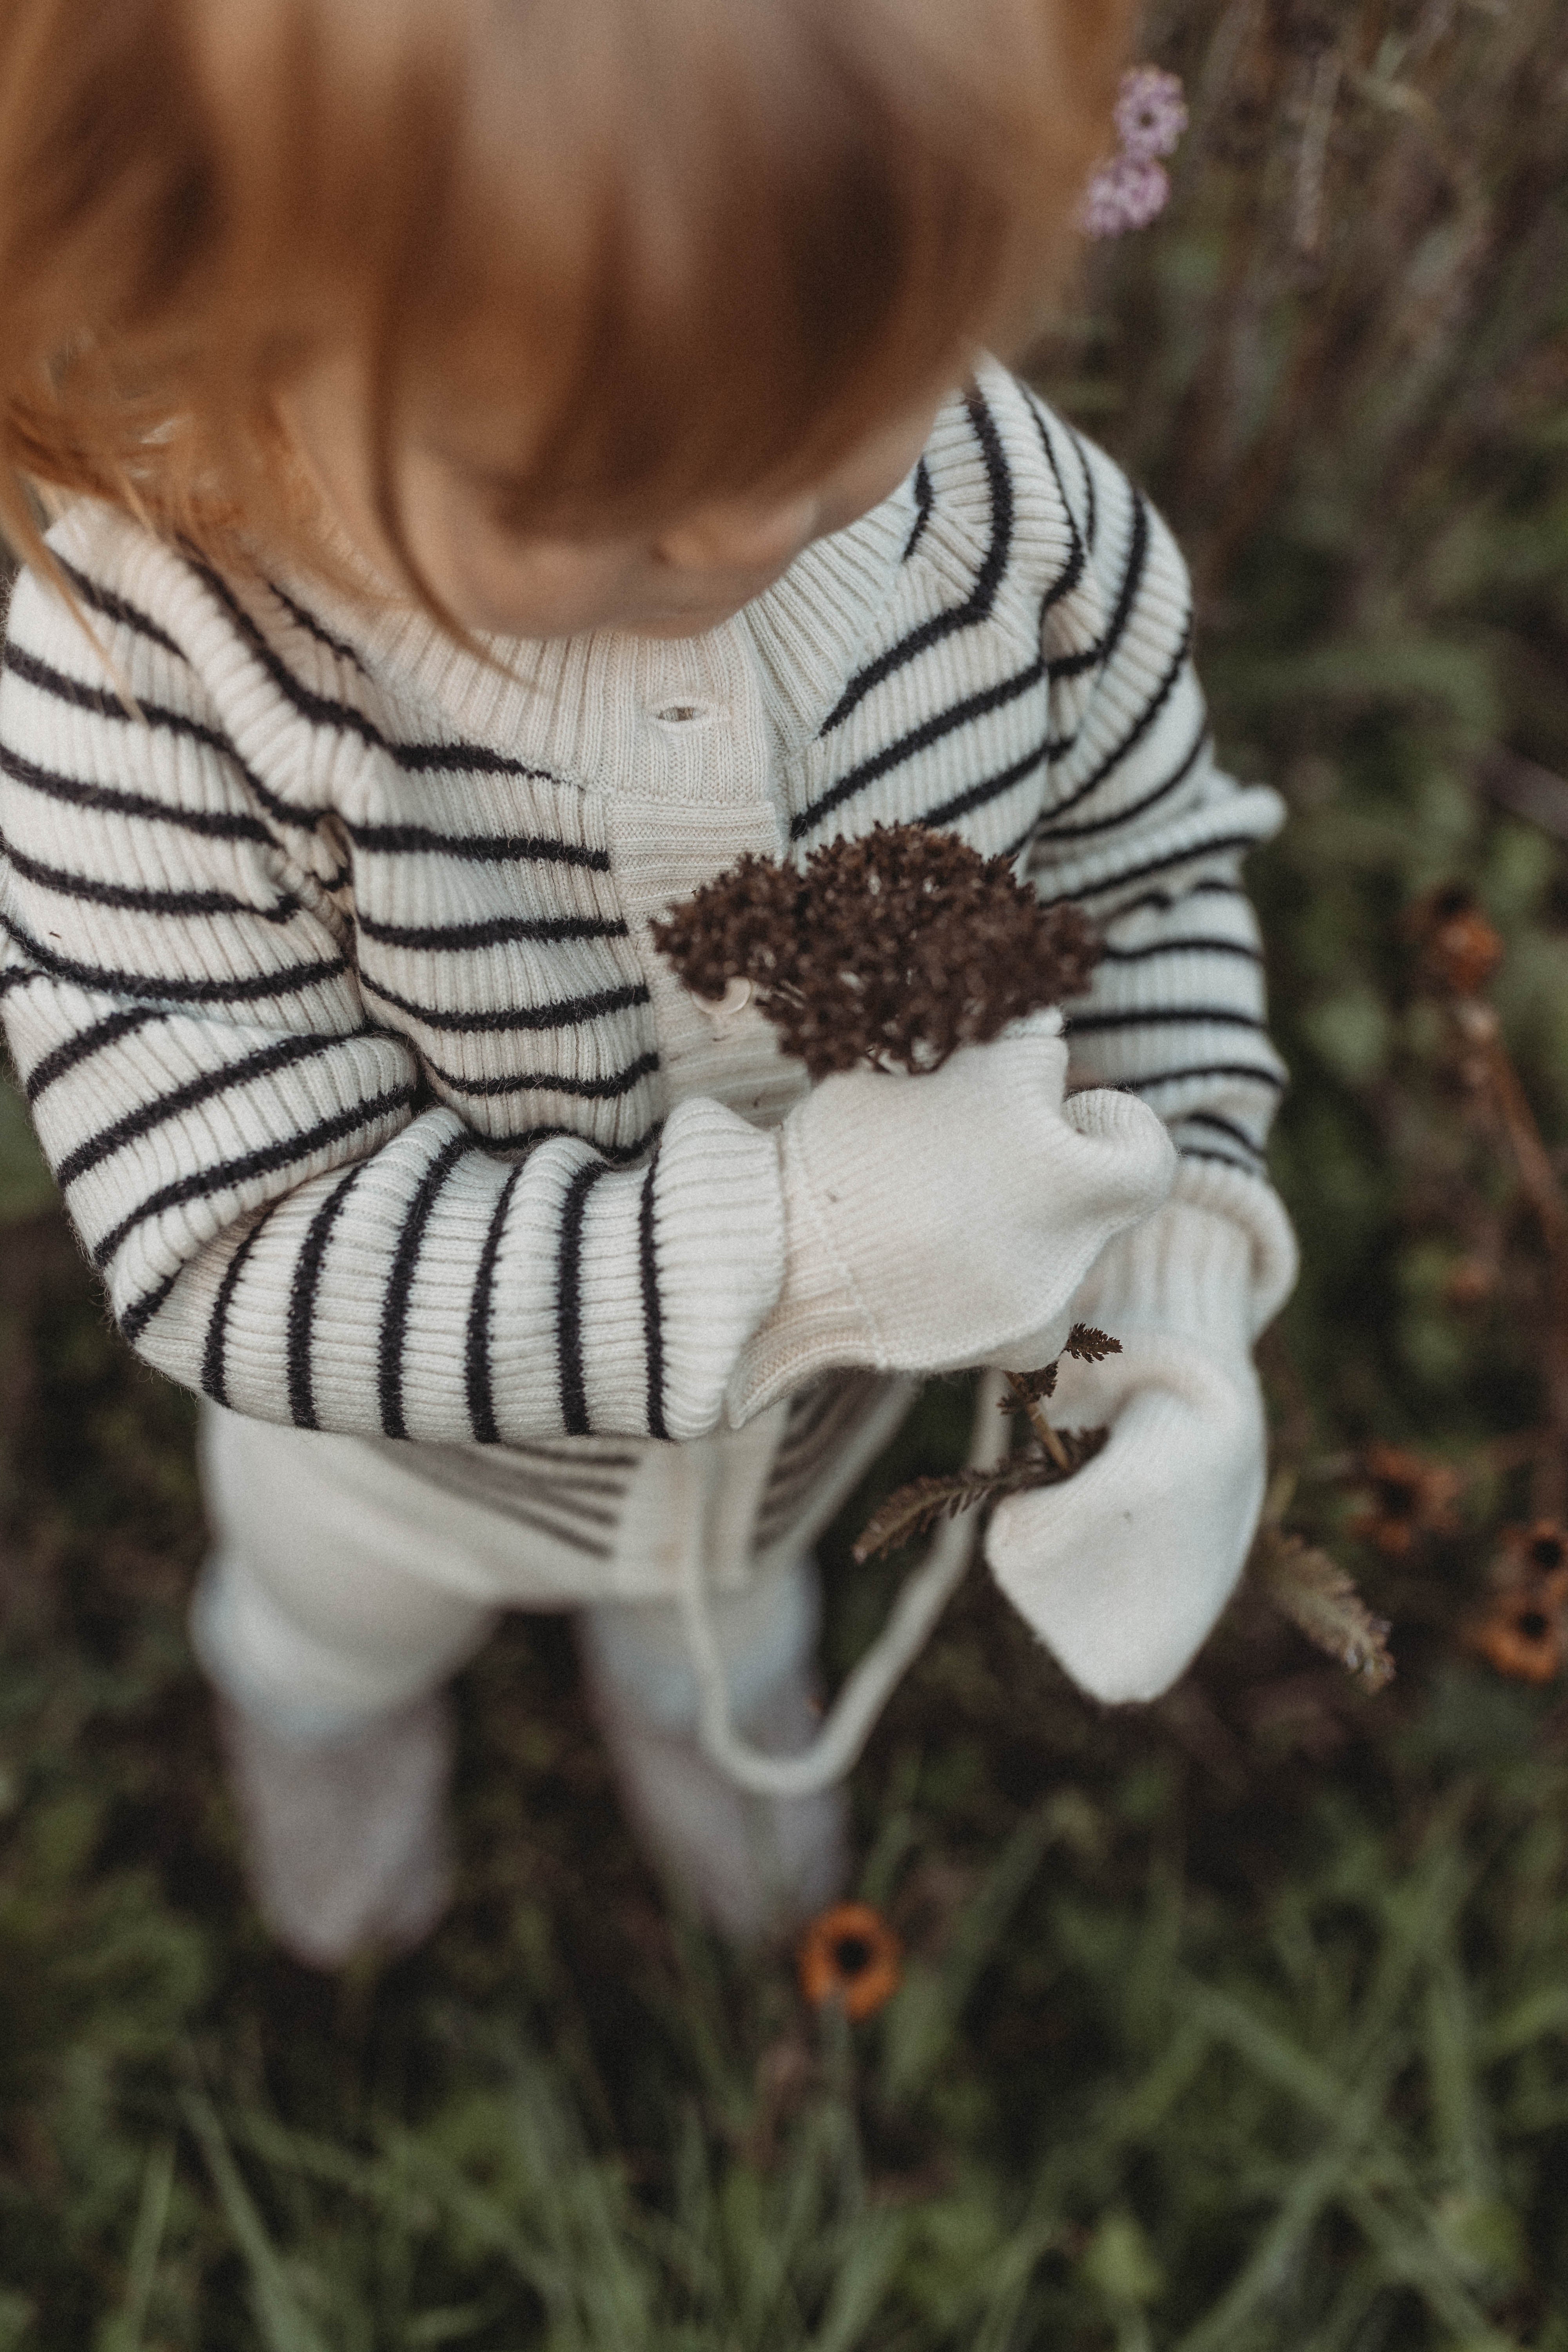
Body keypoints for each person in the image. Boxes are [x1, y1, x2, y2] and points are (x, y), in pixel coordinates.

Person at [0, 0, 1296, 1965]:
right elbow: (230, 1240)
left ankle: (715, 1768)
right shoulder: (157, 666)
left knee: (732, 1643)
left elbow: (1145, 870)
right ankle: (340, 1869)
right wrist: (797, 1257)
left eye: (846, 405)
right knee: (329, 1643)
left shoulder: (1020, 534)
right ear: (238, 310)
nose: (756, 529)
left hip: (802, 1468)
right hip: (397, 1478)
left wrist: (1164, 1293)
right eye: (593, 491)